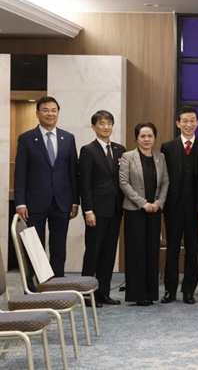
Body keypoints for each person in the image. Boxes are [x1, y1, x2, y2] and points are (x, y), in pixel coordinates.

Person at [14, 96, 79, 277]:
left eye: (53, 110)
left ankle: (57, 281)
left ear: (58, 113)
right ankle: (35, 285)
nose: (50, 114)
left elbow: (72, 172)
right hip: (34, 202)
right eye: (45, 110)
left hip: (62, 201)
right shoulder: (26, 139)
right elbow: (20, 173)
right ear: (37, 113)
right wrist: (20, 203)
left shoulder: (68, 138)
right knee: (35, 246)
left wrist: (75, 202)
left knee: (59, 246)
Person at [160, 106, 198, 305]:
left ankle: (189, 291)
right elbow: (163, 178)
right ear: (178, 123)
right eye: (184, 121)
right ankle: (170, 290)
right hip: (173, 208)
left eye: (192, 121)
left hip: (195, 209)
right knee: (172, 248)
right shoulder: (167, 147)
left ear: (197, 123)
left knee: (192, 249)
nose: (188, 125)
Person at [119, 121, 169, 306]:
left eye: (150, 136)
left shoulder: (160, 157)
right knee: (136, 252)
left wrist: (158, 204)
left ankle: (151, 293)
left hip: (154, 212)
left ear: (154, 138)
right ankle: (137, 294)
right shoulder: (127, 156)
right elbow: (124, 183)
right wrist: (143, 203)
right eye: (142, 136)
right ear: (136, 138)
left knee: (151, 251)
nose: (146, 139)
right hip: (135, 211)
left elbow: (165, 183)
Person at [78, 110, 124, 306]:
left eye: (109, 123)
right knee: (93, 253)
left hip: (115, 210)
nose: (106, 127)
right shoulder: (88, 150)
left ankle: (103, 293)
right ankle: (87, 295)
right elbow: (84, 184)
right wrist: (88, 210)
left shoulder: (120, 149)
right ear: (94, 127)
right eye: (102, 123)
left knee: (108, 253)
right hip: (96, 211)